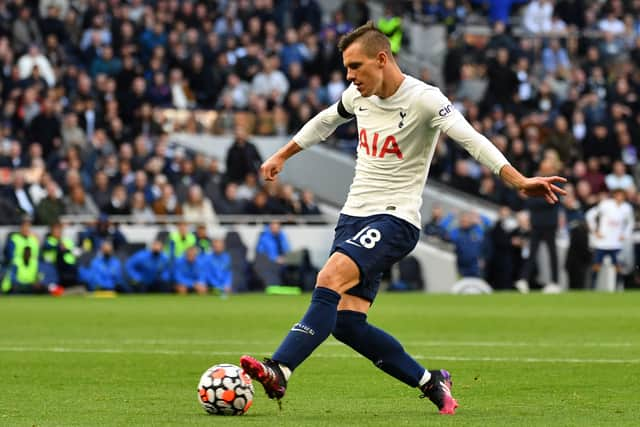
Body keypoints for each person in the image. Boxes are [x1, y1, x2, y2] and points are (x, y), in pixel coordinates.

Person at [239, 22, 565, 416]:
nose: (349, 76)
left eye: (355, 66)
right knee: (347, 325)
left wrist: (517, 181)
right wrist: (281, 155)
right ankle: (431, 382)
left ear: (382, 59)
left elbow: (471, 139)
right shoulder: (358, 96)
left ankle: (280, 368)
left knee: (328, 278)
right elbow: (326, 121)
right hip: (353, 217)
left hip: (396, 218)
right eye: (346, 68)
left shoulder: (425, 99)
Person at [585, 189, 634, 289]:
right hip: (602, 242)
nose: (619, 198)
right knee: (596, 266)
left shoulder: (627, 208)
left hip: (616, 243)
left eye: (622, 196)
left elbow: (630, 223)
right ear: (614, 196)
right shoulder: (606, 205)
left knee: (618, 267)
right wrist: (595, 231)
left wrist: (625, 234)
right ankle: (592, 288)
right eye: (618, 195)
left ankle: (619, 288)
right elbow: (590, 215)